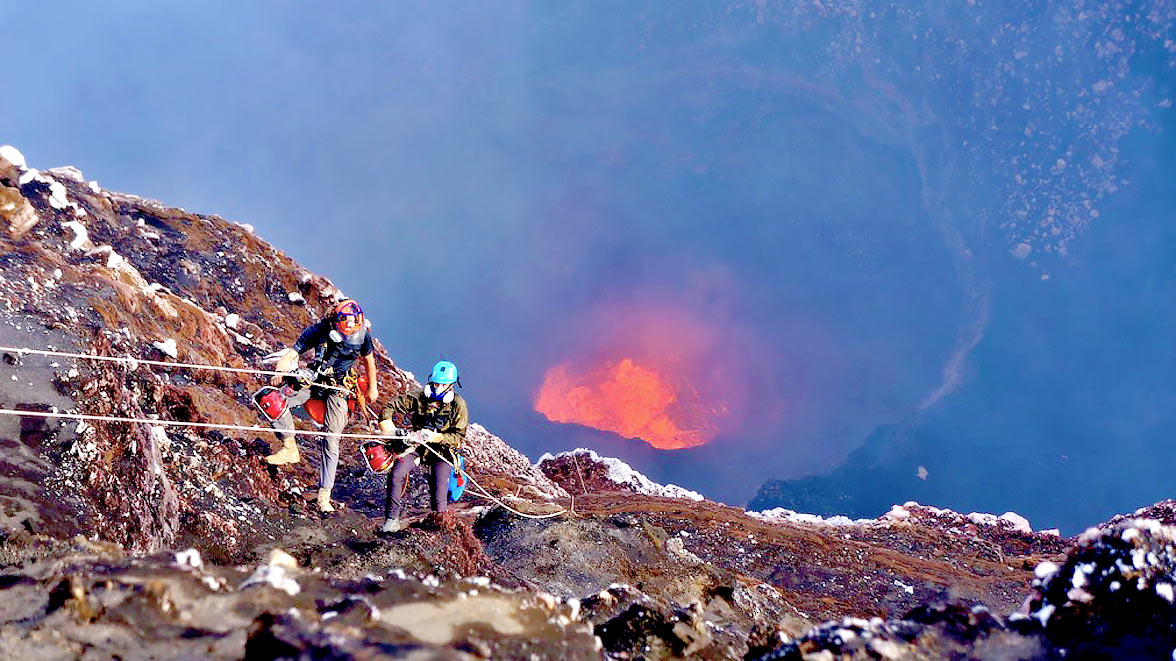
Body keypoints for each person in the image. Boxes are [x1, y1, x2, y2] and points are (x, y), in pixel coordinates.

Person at [265, 298, 378, 513]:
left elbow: (368, 360)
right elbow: (293, 351)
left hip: (339, 387)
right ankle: (289, 447)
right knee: (273, 400)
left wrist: (373, 388)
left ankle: (324, 494)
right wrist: (280, 367)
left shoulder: (363, 336)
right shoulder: (320, 330)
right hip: (313, 379)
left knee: (331, 439)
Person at [377, 360, 467, 533]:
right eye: (436, 383)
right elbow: (391, 405)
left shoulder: (458, 405)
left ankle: (439, 527)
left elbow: (458, 437)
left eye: (443, 384)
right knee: (397, 473)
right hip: (417, 446)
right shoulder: (419, 397)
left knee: (439, 490)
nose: (438, 387)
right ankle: (391, 519)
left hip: (443, 452)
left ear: (451, 385)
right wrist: (387, 425)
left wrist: (438, 437)